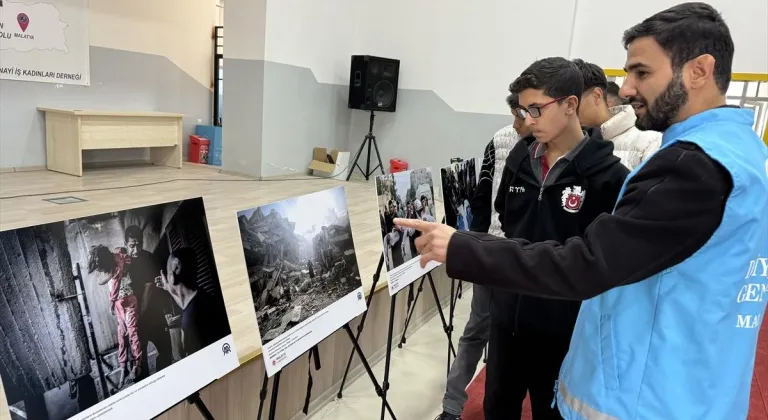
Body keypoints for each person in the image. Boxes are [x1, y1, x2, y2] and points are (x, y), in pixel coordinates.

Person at [396, 3, 768, 419]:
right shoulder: (740, 152)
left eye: (642, 72)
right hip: (681, 381)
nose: (625, 89)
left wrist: (463, 247)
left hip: (649, 395)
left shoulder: (690, 166)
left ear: (699, 70)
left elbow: (586, 263)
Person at [489, 57, 629, 420]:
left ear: (571, 104)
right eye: (523, 109)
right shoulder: (521, 157)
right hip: (507, 319)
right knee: (497, 407)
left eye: (536, 109)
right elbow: (506, 213)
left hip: (564, 329)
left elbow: (606, 257)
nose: (527, 119)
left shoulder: (609, 177)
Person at [435, 91, 531, 420]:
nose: (520, 123)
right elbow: (481, 196)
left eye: (526, 114)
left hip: (532, 262)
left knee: (518, 339)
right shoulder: (500, 140)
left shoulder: (558, 147)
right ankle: (451, 408)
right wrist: (475, 246)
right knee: (476, 330)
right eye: (516, 114)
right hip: (493, 254)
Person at [573, 58, 661, 169]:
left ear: (596, 95)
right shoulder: (571, 141)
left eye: (573, 102)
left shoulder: (649, 141)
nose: (568, 110)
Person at [157, 247, 231, 356]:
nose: (167, 277)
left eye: (167, 272)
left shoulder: (191, 323)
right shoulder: (203, 299)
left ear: (176, 267)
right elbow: (185, 305)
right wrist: (168, 287)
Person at [88, 245, 143, 386]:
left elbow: (115, 288)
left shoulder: (119, 261)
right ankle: (123, 367)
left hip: (128, 300)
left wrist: (111, 304)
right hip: (120, 304)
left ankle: (137, 364)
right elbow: (101, 281)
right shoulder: (110, 263)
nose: (99, 270)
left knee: (133, 332)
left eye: (100, 267)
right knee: (121, 337)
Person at [123, 225, 173, 377]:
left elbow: (151, 286)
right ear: (126, 244)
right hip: (135, 320)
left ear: (142, 241)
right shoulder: (123, 262)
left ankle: (161, 379)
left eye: (139, 244)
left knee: (166, 351)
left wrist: (144, 311)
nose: (136, 249)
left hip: (154, 315)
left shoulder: (149, 258)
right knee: (139, 361)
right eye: (132, 246)